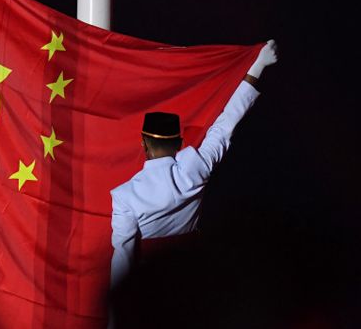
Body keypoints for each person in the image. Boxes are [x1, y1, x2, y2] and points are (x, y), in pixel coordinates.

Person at [109, 40, 278, 289]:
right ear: (178, 142)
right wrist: (258, 67)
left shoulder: (125, 196)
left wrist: (112, 323)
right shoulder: (195, 169)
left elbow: (122, 263)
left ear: (143, 144)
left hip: (150, 288)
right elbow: (226, 125)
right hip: (194, 280)